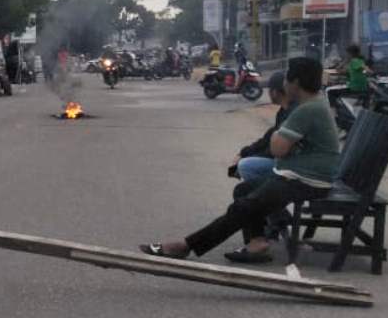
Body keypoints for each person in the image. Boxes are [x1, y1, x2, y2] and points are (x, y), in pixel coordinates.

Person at [141, 57, 339, 264]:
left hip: (307, 180)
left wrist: (278, 134)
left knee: (244, 207)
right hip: (302, 176)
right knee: (243, 190)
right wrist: (278, 135)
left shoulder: (307, 110)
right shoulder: (312, 105)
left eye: (286, 79)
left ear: (295, 82)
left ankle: (185, 245)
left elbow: (277, 149)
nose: (284, 83)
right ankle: (257, 242)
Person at [230, 72, 290, 186]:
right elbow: (266, 139)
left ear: (275, 92)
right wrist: (244, 152)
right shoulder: (283, 111)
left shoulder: (291, 114)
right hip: (282, 160)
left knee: (245, 166)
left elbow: (275, 150)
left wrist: (250, 156)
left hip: (290, 166)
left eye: (269, 90)